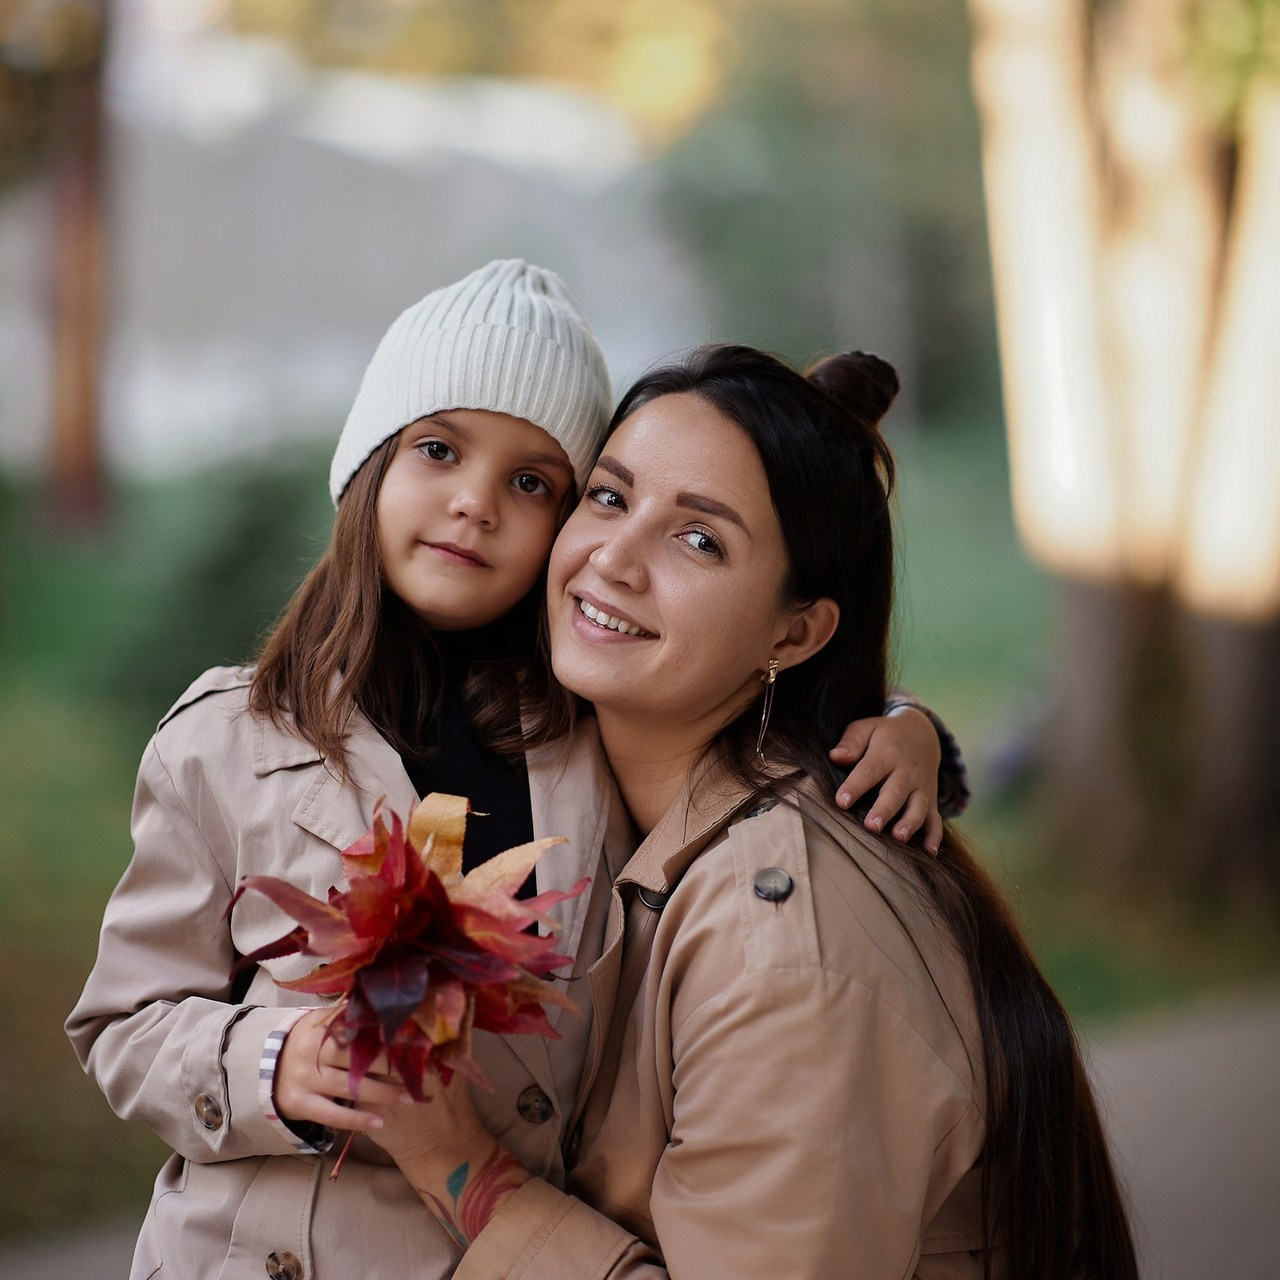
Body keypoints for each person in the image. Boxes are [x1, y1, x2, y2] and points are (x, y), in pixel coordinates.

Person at [67, 264, 962, 1280]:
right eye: (437, 448)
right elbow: (122, 1021)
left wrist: (898, 722)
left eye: (531, 481)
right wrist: (273, 1062)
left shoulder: (589, 724)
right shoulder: (230, 736)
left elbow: (747, 712)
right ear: (369, 462)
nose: (473, 503)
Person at [362, 345, 1138, 1280]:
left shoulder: (782, 949)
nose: (613, 556)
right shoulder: (578, 785)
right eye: (608, 497)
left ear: (795, 632)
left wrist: (458, 1166)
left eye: (700, 541)